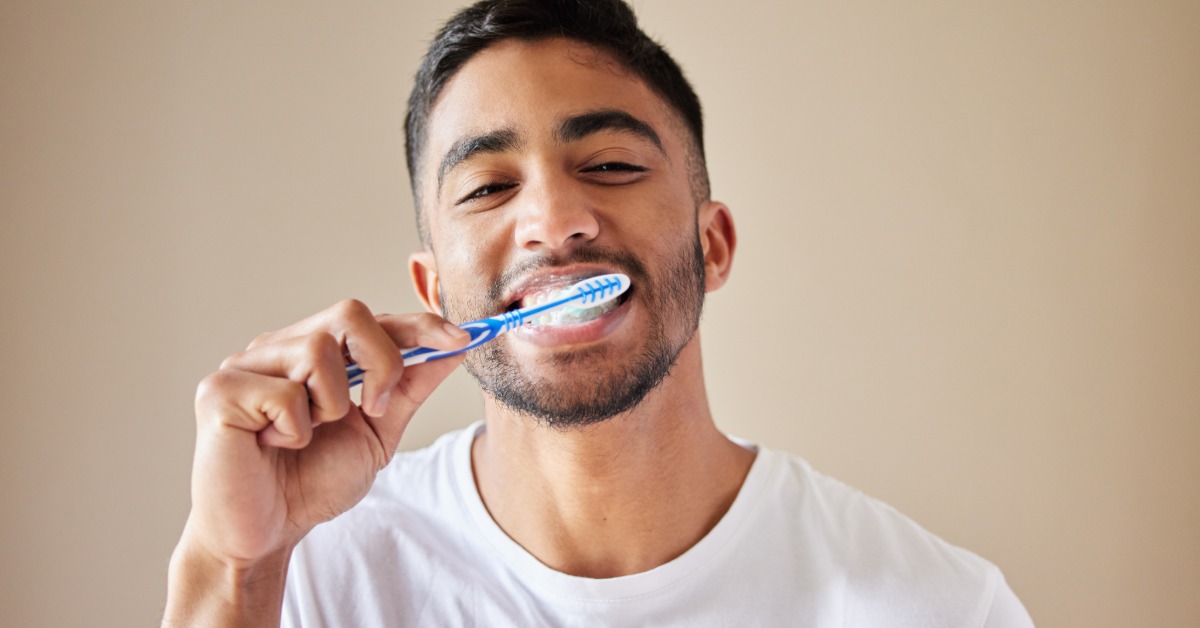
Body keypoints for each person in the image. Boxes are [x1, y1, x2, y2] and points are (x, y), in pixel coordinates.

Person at [163, 0, 1035, 626]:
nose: (551, 219)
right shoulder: (312, 580)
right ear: (434, 293)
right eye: (489, 186)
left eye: (612, 165)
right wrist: (234, 568)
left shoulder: (938, 607)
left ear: (713, 245)